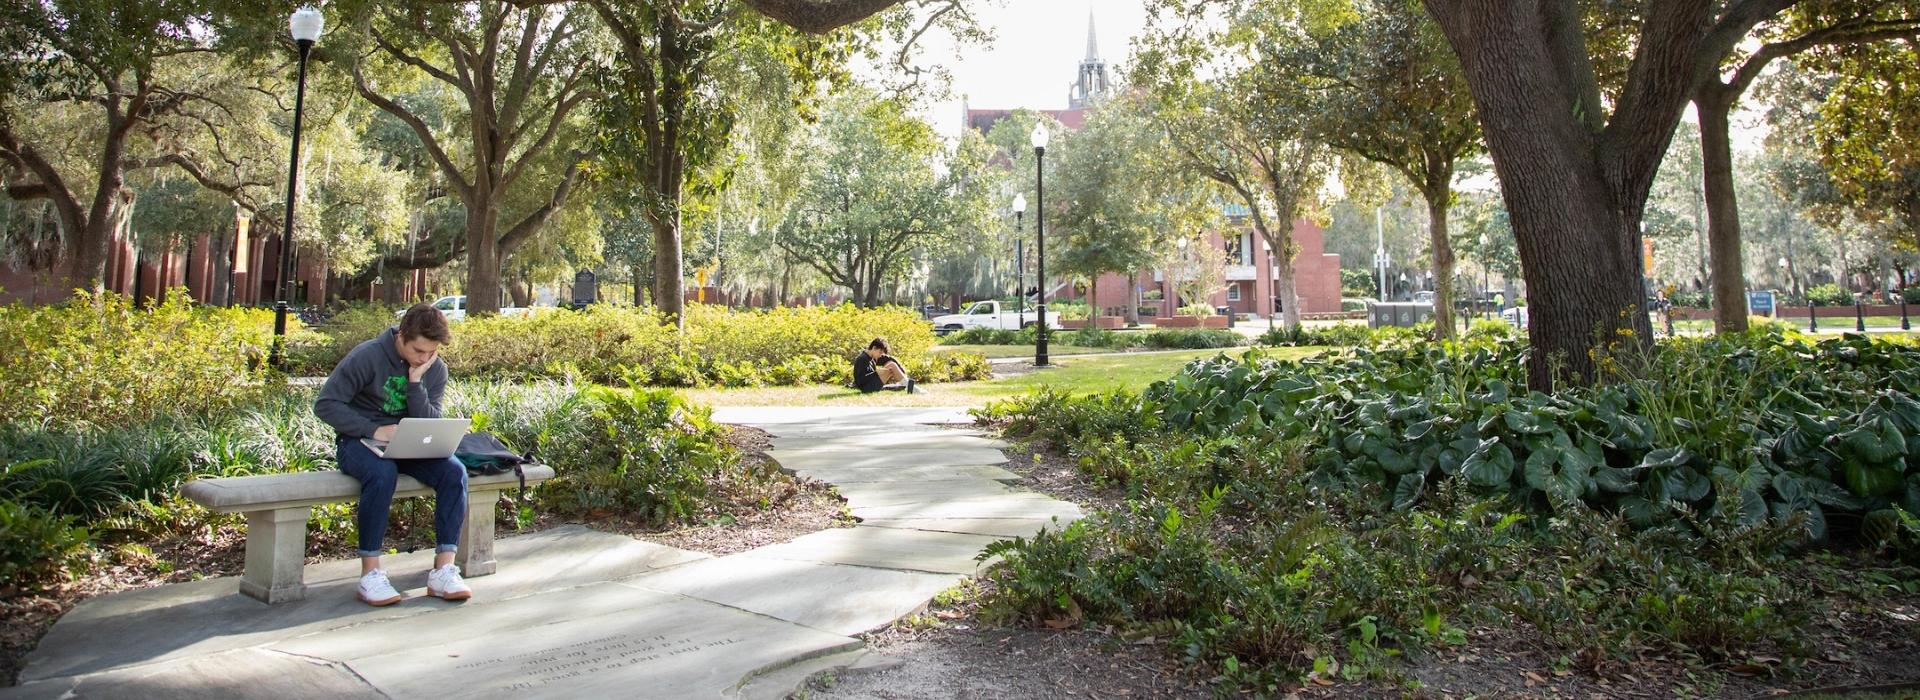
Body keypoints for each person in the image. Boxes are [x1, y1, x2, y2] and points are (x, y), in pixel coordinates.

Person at [314, 303, 471, 606]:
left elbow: (429, 422)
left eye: (430, 352)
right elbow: (326, 404)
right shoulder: (367, 356)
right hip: (358, 444)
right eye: (418, 351)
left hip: (410, 446)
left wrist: (415, 383)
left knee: (454, 472)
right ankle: (370, 574)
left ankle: (444, 570)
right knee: (382, 474)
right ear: (401, 336)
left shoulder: (434, 368)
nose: (424, 358)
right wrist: (374, 430)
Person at [852, 337, 916, 394]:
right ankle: (911, 387)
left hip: (871, 383)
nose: (880, 355)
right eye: (880, 352)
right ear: (874, 348)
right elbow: (860, 381)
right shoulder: (862, 359)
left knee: (891, 364)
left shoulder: (873, 357)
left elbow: (889, 359)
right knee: (892, 365)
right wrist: (876, 373)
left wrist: (902, 371)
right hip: (866, 388)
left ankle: (909, 386)